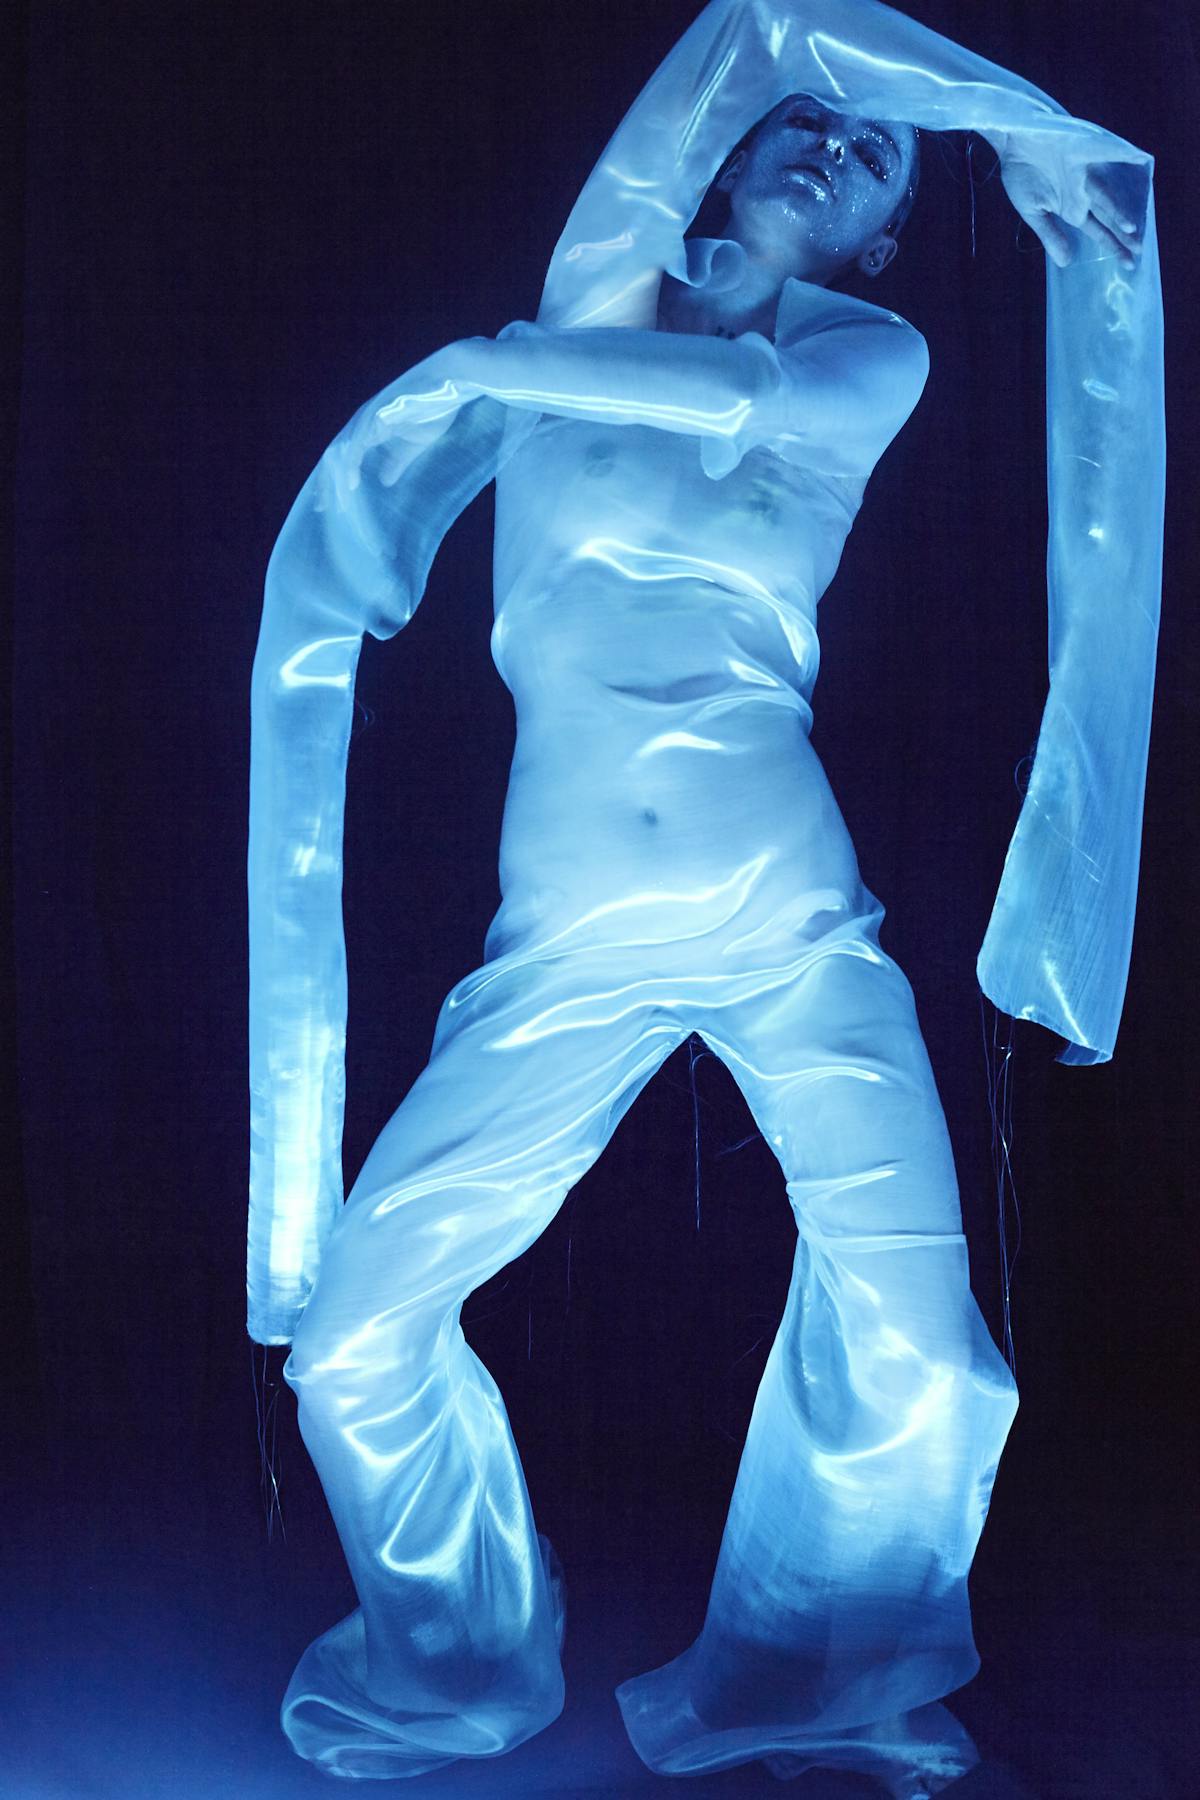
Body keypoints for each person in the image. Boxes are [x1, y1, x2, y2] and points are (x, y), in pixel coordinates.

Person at [246, 2, 1161, 1788]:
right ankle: (456, 1660)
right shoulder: (591, 299)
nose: (837, 146)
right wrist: (984, 111)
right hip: (563, 947)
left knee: (932, 1359)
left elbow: (729, 399)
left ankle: (821, 1683)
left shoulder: (869, 353)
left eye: (877, 154)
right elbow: (739, 36)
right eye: (811, 122)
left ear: (885, 235)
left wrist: (488, 365)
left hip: (789, 920)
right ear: (729, 158)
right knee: (354, 1342)